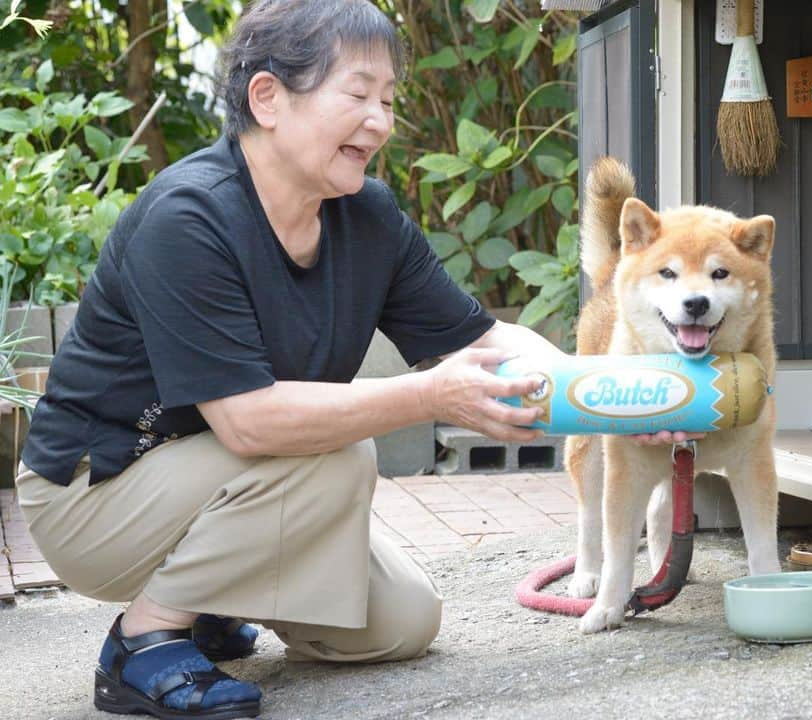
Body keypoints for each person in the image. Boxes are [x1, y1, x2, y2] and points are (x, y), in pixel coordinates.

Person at [14, 2, 559, 718]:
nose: (381, 121)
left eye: (389, 100)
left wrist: (610, 393)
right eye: (358, 94)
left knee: (404, 621)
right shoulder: (188, 217)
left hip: (225, 482)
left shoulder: (367, 216)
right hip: (93, 495)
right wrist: (428, 397)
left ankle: (209, 601)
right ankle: (144, 641)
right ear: (268, 98)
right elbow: (250, 425)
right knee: (338, 456)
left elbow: (482, 340)